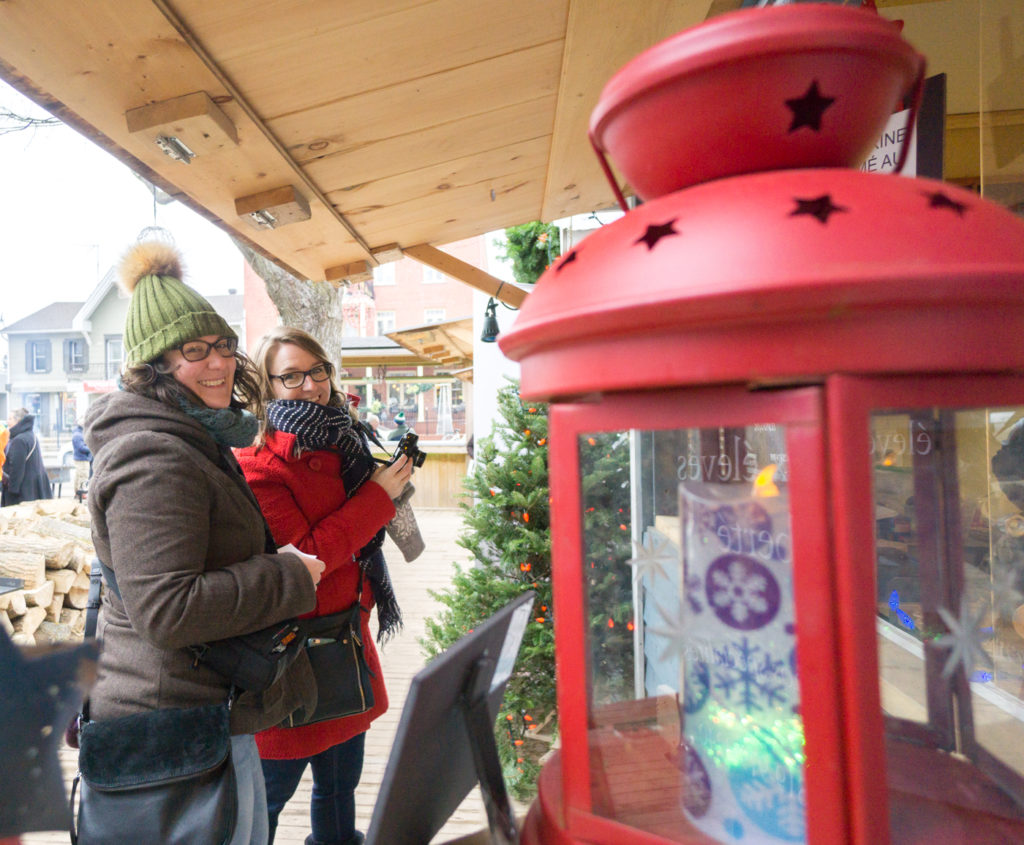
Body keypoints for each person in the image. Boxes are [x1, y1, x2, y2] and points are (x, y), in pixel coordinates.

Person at [83, 239, 325, 845]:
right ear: (155, 367)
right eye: (194, 352)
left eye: (222, 346)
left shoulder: (189, 436)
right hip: (171, 732)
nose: (218, 364)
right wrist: (289, 575)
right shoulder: (154, 456)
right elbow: (168, 609)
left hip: (201, 717)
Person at [237, 326, 413, 845]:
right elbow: (305, 558)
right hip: (292, 655)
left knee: (339, 790)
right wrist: (377, 497)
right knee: (267, 800)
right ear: (267, 387)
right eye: (291, 375)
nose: (310, 385)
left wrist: (388, 488)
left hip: (346, 640)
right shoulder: (258, 463)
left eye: (317, 371)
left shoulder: (349, 439)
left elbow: (360, 531)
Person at [1, 408, 52, 506]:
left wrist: (12, 491)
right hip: (32, 489)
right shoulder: (30, 435)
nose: (7, 422)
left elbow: (16, 469)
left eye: (10, 419)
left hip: (23, 494)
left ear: (18, 421)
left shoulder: (19, 440)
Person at [71, 419, 92, 495]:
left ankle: (78, 493)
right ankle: (81, 494)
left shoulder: (78, 434)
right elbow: (81, 448)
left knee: (79, 476)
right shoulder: (78, 435)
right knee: (83, 476)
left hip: (81, 458)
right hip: (82, 459)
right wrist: (91, 448)